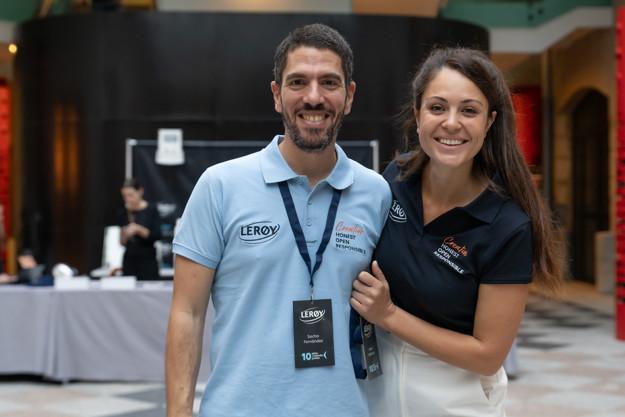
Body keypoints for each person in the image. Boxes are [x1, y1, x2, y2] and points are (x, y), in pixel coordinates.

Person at [165, 23, 392, 417]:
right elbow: (188, 313)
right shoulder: (220, 186)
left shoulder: (376, 193)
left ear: (349, 96)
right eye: (298, 82)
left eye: (329, 83)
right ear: (276, 94)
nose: (314, 97)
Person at [350, 47, 563, 417]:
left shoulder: (507, 226)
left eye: (469, 110)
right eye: (437, 107)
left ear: (489, 121)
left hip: (457, 406)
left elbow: (488, 355)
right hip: (375, 399)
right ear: (418, 115)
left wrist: (389, 316)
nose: (451, 123)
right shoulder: (395, 179)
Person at [117, 178, 162, 280]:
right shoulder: (123, 213)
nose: (128, 199)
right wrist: (124, 235)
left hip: (147, 261)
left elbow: (157, 235)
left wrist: (139, 229)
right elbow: (122, 242)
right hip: (129, 261)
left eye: (131, 195)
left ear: (140, 191)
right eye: (124, 196)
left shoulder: (151, 210)